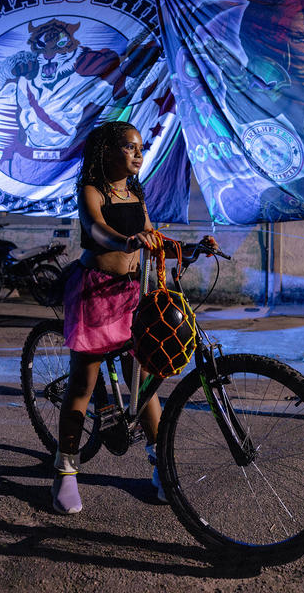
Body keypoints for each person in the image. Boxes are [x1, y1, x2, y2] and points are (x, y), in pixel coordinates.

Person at [53, 121, 184, 514]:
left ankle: (161, 466)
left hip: (132, 296)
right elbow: (97, 228)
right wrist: (126, 241)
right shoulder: (91, 190)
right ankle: (65, 470)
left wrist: (188, 249)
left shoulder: (135, 193)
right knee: (82, 383)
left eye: (141, 147)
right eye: (130, 147)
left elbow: (151, 235)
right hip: (95, 294)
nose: (139, 153)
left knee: (142, 382)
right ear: (107, 152)